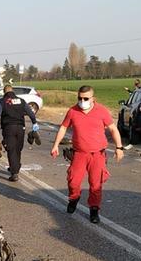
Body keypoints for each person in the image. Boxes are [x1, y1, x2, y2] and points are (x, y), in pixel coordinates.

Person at [50, 85, 124, 224]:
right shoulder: (72, 111)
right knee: (73, 181)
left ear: (93, 99)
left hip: (97, 154)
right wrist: (55, 146)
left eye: (85, 98)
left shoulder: (101, 111)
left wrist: (119, 147)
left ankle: (94, 210)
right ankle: (74, 198)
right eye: (79, 98)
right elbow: (63, 127)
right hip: (79, 154)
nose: (82, 101)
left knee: (96, 184)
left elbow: (113, 129)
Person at [0, 85, 38, 182]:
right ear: (13, 91)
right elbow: (30, 112)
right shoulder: (21, 100)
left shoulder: (2, 101)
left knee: (11, 150)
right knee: (18, 149)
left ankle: (14, 173)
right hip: (21, 128)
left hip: (9, 128)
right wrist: (34, 123)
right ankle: (15, 166)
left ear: (4, 92)